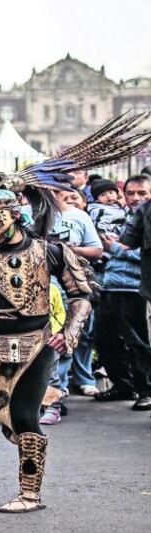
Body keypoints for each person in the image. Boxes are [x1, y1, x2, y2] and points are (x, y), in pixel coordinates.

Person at [0, 116, 143, 514]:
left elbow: (82, 294)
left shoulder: (51, 250)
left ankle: (29, 494)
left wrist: (69, 334)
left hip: (35, 346)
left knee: (26, 416)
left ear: (14, 214)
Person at [97, 175, 151, 411]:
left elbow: (141, 252)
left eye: (142, 193)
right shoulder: (115, 216)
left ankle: (146, 391)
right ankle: (123, 385)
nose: (135, 198)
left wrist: (114, 248)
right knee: (106, 340)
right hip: (109, 286)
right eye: (130, 193)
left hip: (135, 288)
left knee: (137, 342)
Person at [49, 186, 103, 398]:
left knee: (74, 335)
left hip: (72, 284)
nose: (49, 194)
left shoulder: (79, 216)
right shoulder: (27, 213)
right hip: (39, 286)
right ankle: (54, 389)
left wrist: (69, 250)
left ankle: (75, 382)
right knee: (50, 338)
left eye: (53, 190)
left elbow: (97, 250)